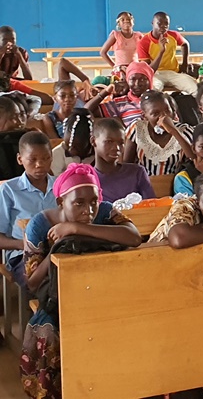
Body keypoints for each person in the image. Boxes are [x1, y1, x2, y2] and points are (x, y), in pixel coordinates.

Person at [21, 164, 141, 398]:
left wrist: (76, 228)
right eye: (79, 203)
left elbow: (133, 237)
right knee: (51, 334)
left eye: (94, 201)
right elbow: (32, 283)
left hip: (103, 291)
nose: (89, 210)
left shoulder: (105, 212)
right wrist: (56, 249)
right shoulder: (40, 224)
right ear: (61, 202)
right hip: (58, 299)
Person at [0, 132, 55, 291]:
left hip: (58, 250)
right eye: (33, 159)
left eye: (45, 158)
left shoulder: (60, 186)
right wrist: (25, 245)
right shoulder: (9, 190)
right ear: (20, 159)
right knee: (49, 283)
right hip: (22, 256)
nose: (40, 164)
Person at [124, 90, 195, 176]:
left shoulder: (185, 130)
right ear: (144, 116)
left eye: (167, 110)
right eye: (155, 113)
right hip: (143, 182)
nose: (163, 116)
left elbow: (194, 160)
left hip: (174, 182)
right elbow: (127, 165)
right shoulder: (137, 128)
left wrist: (174, 131)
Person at [92, 118, 154, 202]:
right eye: (109, 142)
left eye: (121, 143)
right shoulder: (89, 178)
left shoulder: (137, 172)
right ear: (93, 141)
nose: (117, 148)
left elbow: (152, 205)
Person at [137, 12, 196, 94]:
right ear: (152, 23)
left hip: (173, 73)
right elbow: (149, 70)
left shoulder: (173, 35)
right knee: (152, 91)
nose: (163, 26)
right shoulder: (144, 42)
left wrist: (184, 64)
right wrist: (161, 51)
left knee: (194, 87)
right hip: (156, 74)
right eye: (159, 23)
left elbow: (185, 44)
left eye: (166, 24)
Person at [88, 60, 153, 128]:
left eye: (142, 79)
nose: (137, 84)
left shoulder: (157, 100)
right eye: (132, 79)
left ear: (150, 80)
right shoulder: (121, 103)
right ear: (127, 81)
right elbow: (87, 111)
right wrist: (105, 91)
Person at [50, 109, 94, 176]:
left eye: (77, 147)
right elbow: (56, 180)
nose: (71, 150)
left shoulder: (96, 154)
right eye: (69, 145)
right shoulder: (57, 154)